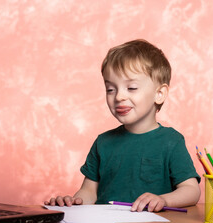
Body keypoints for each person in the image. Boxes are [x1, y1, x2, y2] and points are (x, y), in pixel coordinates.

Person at [44, 39, 201, 212]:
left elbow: (191, 191)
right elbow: (89, 191)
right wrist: (73, 202)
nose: (118, 97)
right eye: (110, 89)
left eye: (131, 88)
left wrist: (163, 199)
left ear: (159, 94)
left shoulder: (171, 141)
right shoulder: (103, 142)